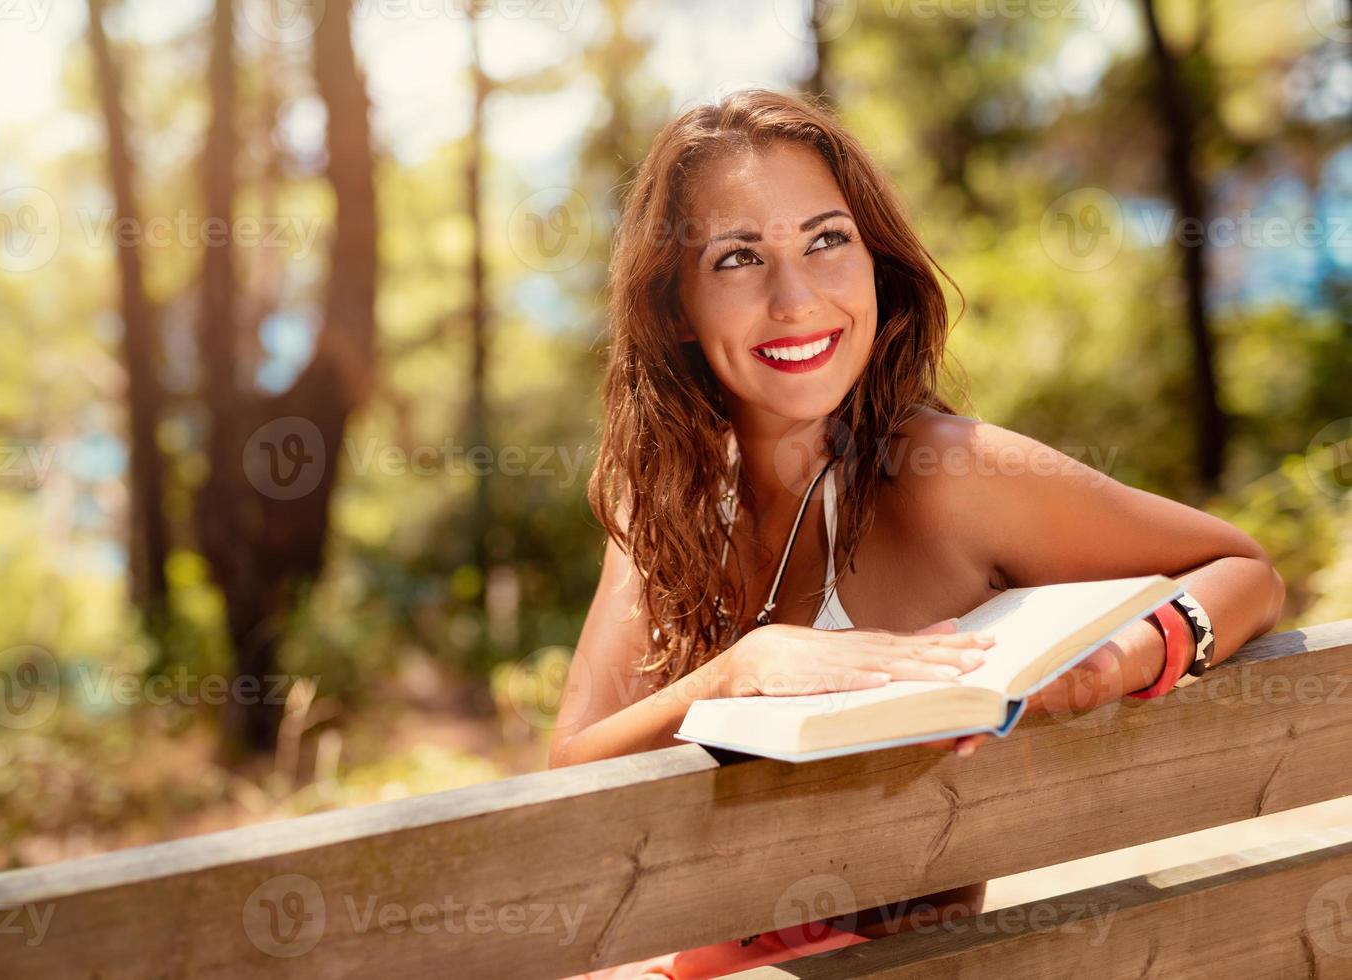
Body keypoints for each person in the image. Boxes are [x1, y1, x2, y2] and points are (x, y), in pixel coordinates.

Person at [548, 89, 1285, 979]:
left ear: (875, 261)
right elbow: (569, 777)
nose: (795, 298)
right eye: (738, 258)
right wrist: (738, 673)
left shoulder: (945, 477)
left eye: (827, 240)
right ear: (675, 307)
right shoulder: (665, 497)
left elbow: (1243, 567)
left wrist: (1126, 659)